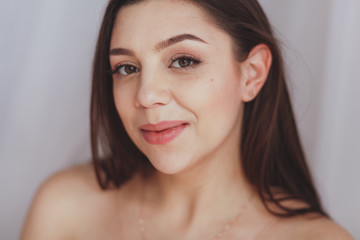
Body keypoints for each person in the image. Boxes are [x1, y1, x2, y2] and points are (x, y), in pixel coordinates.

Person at [21, 0, 354, 239]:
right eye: (127, 68)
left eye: (182, 61)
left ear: (251, 75)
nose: (146, 95)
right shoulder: (64, 208)